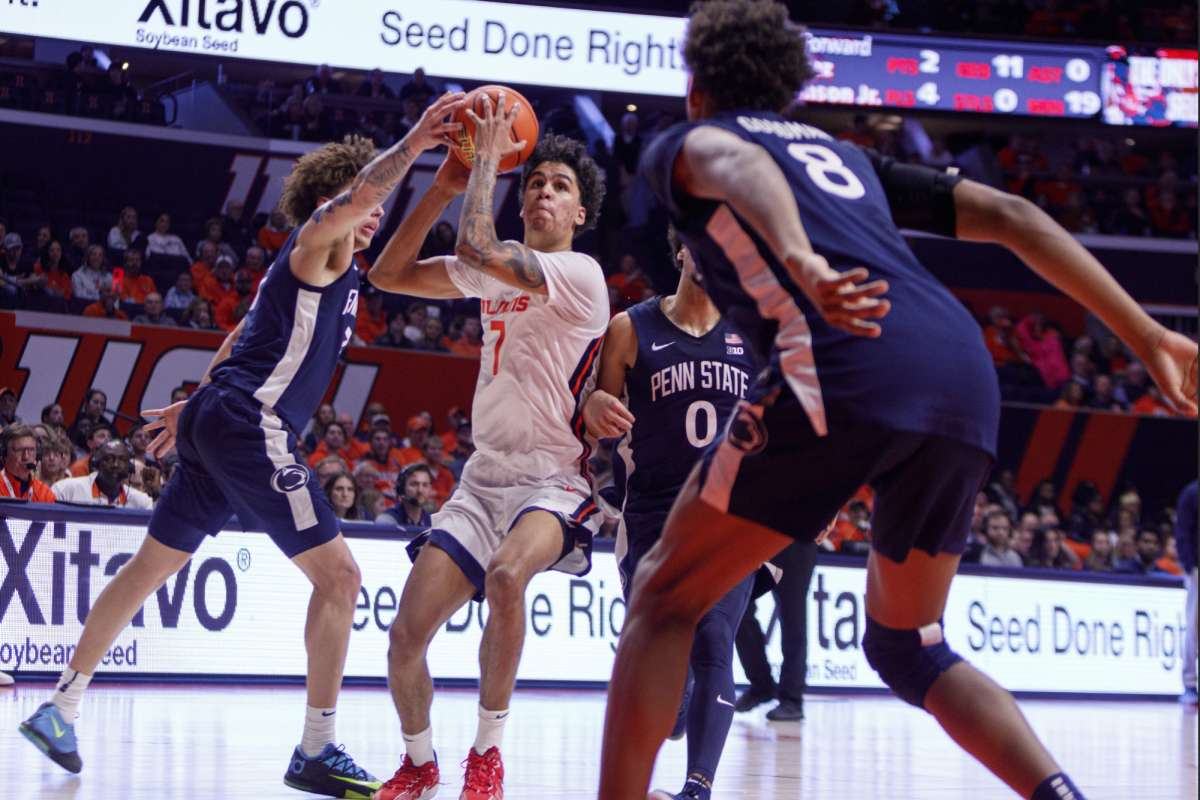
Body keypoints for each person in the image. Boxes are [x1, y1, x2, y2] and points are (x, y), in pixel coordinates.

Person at [597, 5, 1199, 800]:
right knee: (909, 644)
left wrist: (801, 258)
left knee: (664, 598)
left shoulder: (688, 144)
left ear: (697, 86)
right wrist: (1146, 333)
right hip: (961, 372)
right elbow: (1014, 216)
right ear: (788, 92)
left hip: (846, 363)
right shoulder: (843, 157)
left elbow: (737, 165)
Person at [18, 93, 467, 796]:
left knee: (145, 570)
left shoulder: (333, 271)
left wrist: (197, 399)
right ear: (335, 200)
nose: (375, 213)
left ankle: (61, 705)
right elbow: (357, 199)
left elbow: (239, 339)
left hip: (222, 415)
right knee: (342, 579)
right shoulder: (318, 241)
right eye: (367, 203)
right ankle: (316, 747)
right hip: (252, 423)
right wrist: (415, 141)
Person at [367, 114, 609, 798]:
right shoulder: (492, 276)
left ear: (578, 213)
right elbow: (388, 273)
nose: (542, 193)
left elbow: (478, 246)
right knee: (405, 636)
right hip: (482, 482)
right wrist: (445, 183)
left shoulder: (579, 273)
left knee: (507, 577)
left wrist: (485, 163)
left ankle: (487, 752)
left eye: (559, 186)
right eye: (533, 181)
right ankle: (419, 762)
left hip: (555, 479)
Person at [582, 229, 757, 799]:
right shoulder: (630, 328)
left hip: (730, 514)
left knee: (714, 639)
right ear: (680, 250)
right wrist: (595, 406)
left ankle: (697, 788)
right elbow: (595, 416)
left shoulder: (752, 336)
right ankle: (677, 704)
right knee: (666, 649)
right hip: (655, 512)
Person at [51, 441, 153, 509]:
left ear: (129, 467)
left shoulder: (142, 501)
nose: (115, 465)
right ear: (96, 462)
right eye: (108, 459)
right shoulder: (65, 489)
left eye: (122, 460)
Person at [1176, 481, 1197, 706]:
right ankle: (1189, 684)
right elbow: (1183, 532)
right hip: (1197, 572)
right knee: (1193, 627)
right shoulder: (1192, 493)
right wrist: (1191, 567)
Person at [0, 424, 56, 502]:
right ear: (4, 454)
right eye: (19, 450)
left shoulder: (45, 494)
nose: (26, 457)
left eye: (31, 449)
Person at [377, 463, 435, 528]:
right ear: (401, 488)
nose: (420, 491)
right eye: (414, 484)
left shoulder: (434, 522)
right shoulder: (387, 520)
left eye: (425, 485)